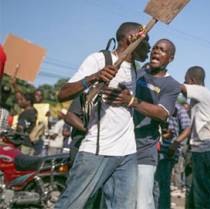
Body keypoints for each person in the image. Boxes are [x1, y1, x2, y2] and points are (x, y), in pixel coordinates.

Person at [54, 22, 150, 209]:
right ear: (132, 39)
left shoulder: (135, 70)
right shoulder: (100, 59)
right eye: (146, 41)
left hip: (127, 152)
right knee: (72, 204)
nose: (149, 47)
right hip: (98, 150)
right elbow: (62, 94)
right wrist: (93, 77)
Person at [104, 38, 180, 209]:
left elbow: (162, 113)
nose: (155, 51)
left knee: (142, 201)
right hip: (119, 145)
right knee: (116, 198)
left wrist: (132, 101)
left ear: (171, 58)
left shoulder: (171, 85)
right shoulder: (136, 73)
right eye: (154, 48)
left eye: (162, 50)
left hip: (144, 149)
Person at [180, 66, 210, 209]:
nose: (184, 83)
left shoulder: (201, 91)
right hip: (201, 151)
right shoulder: (200, 99)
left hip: (205, 150)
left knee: (203, 196)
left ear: (192, 80)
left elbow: (180, 88)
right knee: (195, 194)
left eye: (185, 80)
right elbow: (193, 128)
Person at [154, 103, 191, 209]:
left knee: (161, 185)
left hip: (166, 152)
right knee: (155, 185)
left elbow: (187, 128)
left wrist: (175, 144)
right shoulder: (156, 104)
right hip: (153, 150)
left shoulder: (178, 108)